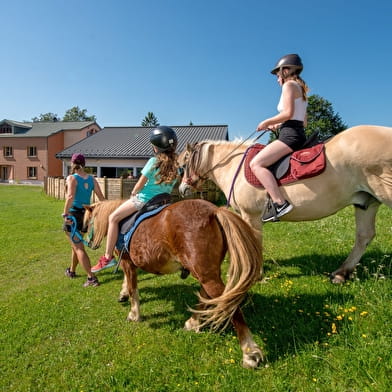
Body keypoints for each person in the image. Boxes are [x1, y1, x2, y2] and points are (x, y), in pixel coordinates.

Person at [91, 126, 180, 272]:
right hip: (164, 202)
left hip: (144, 200)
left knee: (113, 218)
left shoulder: (153, 162)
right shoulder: (177, 166)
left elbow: (140, 184)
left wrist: (133, 192)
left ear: (156, 147)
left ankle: (107, 257)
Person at [250, 53, 309, 222]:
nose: (277, 80)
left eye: (277, 75)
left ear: (286, 71)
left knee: (256, 164)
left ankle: (280, 203)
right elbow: (301, 121)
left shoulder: (289, 85)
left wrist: (266, 121)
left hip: (290, 136)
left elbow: (288, 113)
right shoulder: (302, 90)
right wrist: (278, 125)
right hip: (296, 133)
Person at [63, 153, 105, 286]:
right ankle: (72, 270)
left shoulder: (72, 178)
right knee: (75, 245)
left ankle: (91, 278)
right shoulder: (91, 179)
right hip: (86, 216)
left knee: (78, 247)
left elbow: (70, 196)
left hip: (73, 216)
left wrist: (65, 214)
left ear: (72, 163)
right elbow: (102, 198)